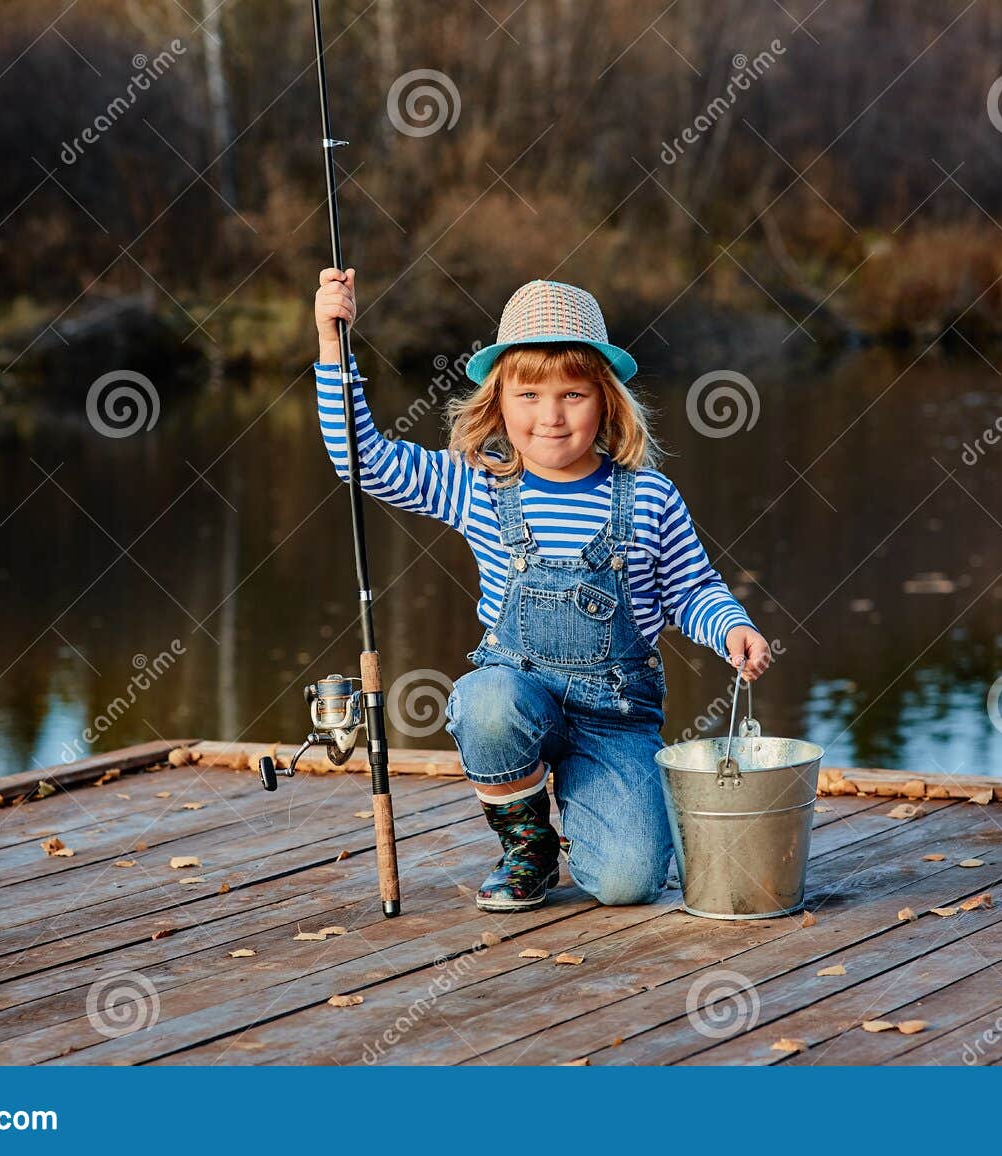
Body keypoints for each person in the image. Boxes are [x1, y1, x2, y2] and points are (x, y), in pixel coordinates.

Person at [315, 269, 772, 913]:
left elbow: (690, 588)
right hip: (517, 690)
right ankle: (528, 844)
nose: (550, 416)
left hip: (615, 715)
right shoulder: (475, 485)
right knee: (485, 701)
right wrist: (334, 347)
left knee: (627, 885)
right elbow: (359, 458)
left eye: (573, 395)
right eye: (528, 394)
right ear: (498, 401)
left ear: (606, 401)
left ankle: (605, 812)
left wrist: (731, 628)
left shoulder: (648, 496)